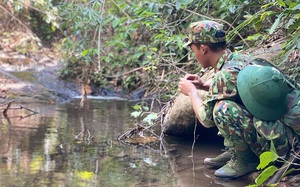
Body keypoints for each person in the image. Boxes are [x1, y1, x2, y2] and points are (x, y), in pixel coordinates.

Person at [178, 20, 300, 179]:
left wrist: (192, 92)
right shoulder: (240, 59)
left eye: (193, 49)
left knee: (222, 109)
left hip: (283, 144)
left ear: (203, 49)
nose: (194, 54)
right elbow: (239, 88)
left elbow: (206, 119)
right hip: (287, 131)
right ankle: (237, 151)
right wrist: (203, 86)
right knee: (226, 103)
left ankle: (246, 159)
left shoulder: (224, 76)